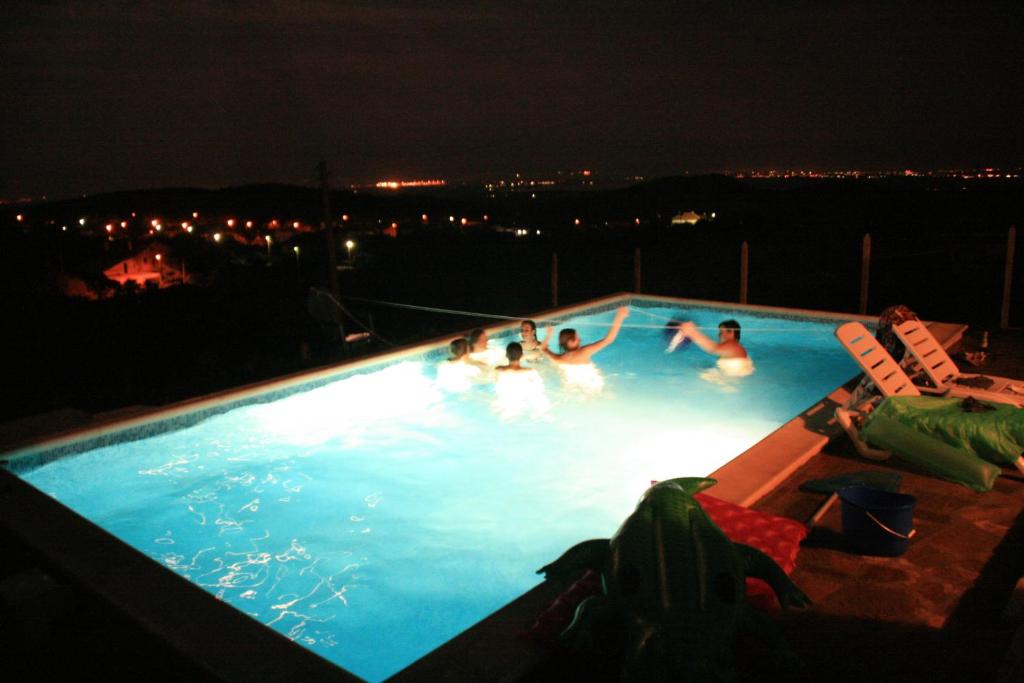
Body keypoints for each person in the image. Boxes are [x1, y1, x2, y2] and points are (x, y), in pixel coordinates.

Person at [542, 306, 630, 365]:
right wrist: (619, 317)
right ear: (570, 342)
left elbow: (543, 348)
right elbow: (608, 340)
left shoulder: (558, 359)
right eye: (577, 339)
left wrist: (549, 335)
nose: (580, 340)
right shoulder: (583, 352)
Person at [672, 319, 754, 379]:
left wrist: (692, 332)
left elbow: (713, 348)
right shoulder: (738, 347)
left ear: (731, 332)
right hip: (732, 378)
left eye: (721, 332)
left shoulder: (732, 345)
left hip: (730, 380)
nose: (719, 335)